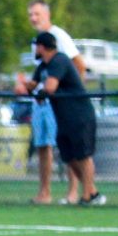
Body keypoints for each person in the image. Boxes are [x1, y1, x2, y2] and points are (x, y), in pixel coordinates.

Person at [18, 0, 87, 204]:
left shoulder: (59, 36)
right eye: (31, 14)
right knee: (42, 145)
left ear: (47, 14)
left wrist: (72, 94)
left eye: (37, 14)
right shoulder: (37, 42)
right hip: (41, 100)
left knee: (67, 144)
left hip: (59, 101)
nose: (33, 18)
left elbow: (79, 65)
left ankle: (74, 192)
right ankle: (45, 192)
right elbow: (40, 73)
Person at [31, 31, 105, 205]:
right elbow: (32, 85)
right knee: (69, 156)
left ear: (42, 47)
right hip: (63, 117)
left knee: (83, 154)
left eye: (36, 46)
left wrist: (40, 92)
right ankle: (93, 192)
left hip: (79, 115)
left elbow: (50, 87)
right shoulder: (43, 66)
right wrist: (24, 86)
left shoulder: (59, 60)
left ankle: (87, 195)